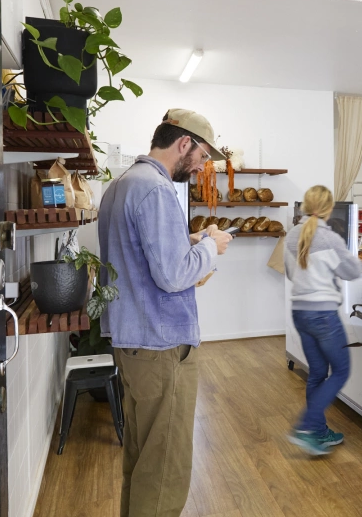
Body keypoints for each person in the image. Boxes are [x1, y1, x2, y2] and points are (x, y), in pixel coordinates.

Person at [98, 109, 232, 517]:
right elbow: (174, 275)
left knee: (141, 460)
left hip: (133, 343)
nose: (203, 166)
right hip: (162, 346)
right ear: (184, 143)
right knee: (165, 469)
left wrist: (188, 237)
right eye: (204, 156)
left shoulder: (121, 185)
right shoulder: (156, 190)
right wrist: (211, 247)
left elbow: (139, 251)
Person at [284, 185, 362, 456]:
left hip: (300, 313)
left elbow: (289, 272)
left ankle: (317, 433)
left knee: (317, 372)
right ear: (329, 209)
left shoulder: (292, 235)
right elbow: (353, 271)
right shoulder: (330, 239)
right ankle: (307, 426)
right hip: (323, 315)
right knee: (341, 371)